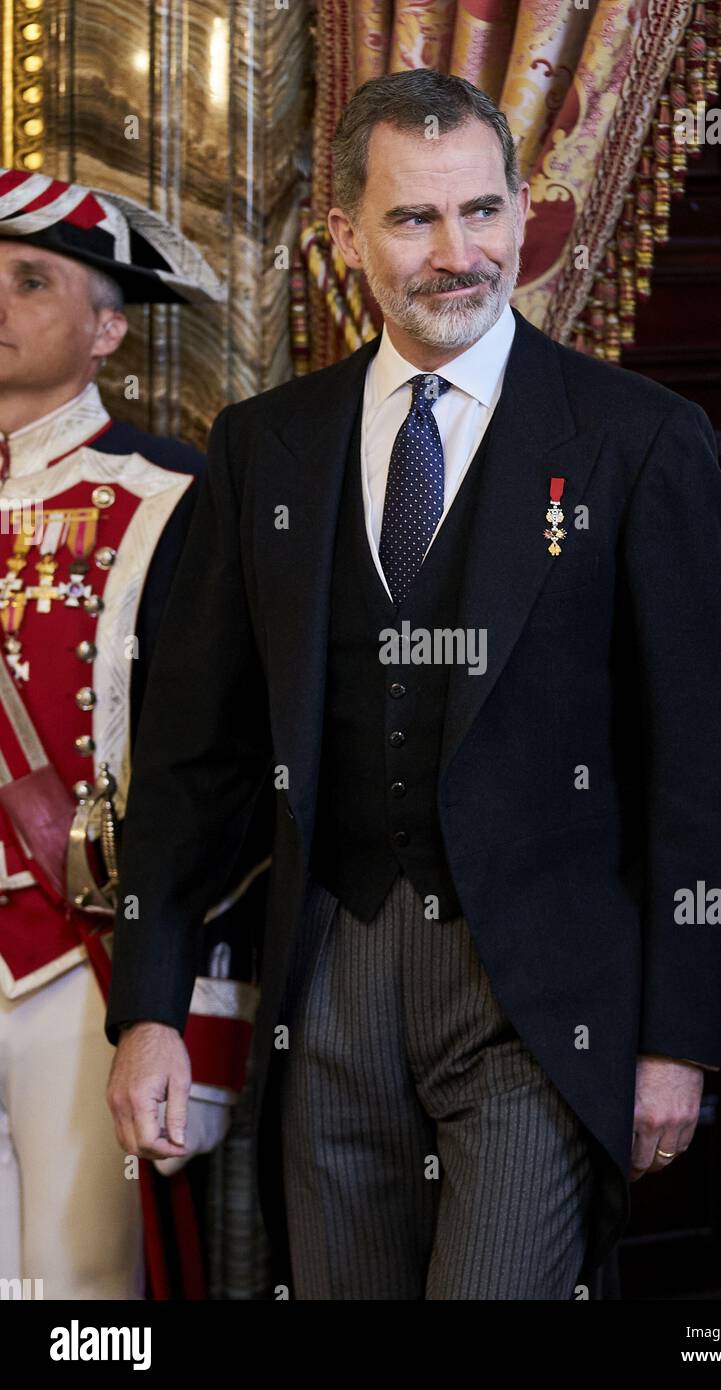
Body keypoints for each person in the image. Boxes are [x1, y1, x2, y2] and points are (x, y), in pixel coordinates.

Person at [106, 69, 721, 1301]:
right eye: (413, 219)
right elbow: (195, 757)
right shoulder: (264, 447)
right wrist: (151, 1007)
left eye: (482, 211)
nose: (458, 254)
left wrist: (678, 1036)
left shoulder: (635, 441)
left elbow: (699, 768)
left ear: (520, 211)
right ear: (343, 235)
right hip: (327, 981)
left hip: (536, 1002)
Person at [0, 169, 267, 1299]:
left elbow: (219, 768)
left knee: (82, 1283)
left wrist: (186, 995)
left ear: (108, 328)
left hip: (77, 954)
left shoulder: (175, 495)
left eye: (28, 280)